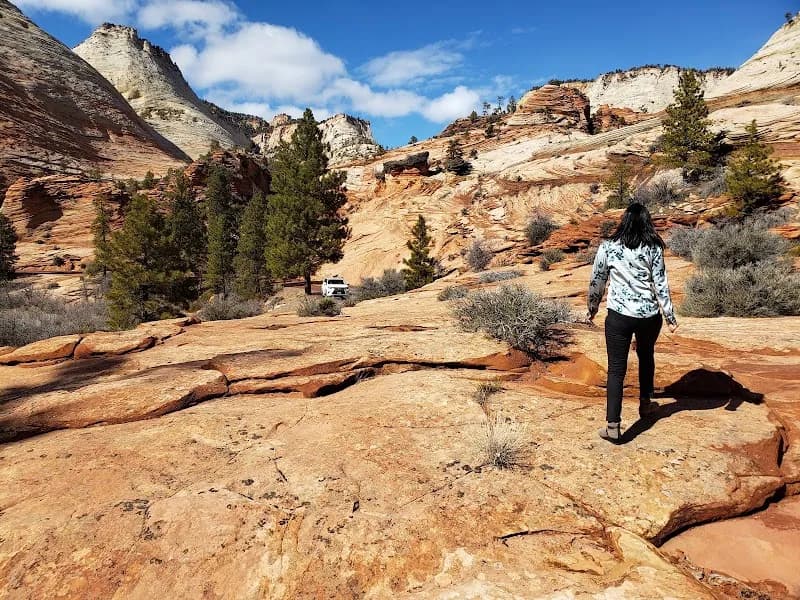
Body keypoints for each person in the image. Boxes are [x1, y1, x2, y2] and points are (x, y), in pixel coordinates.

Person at [587, 202, 678, 443]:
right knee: (646, 356)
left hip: (619, 316)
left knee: (616, 369)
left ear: (623, 221)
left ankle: (613, 426)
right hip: (649, 316)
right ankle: (646, 404)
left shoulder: (608, 247)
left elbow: (597, 280)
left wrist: (592, 308)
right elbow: (661, 284)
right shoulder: (653, 248)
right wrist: (670, 316)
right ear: (647, 222)